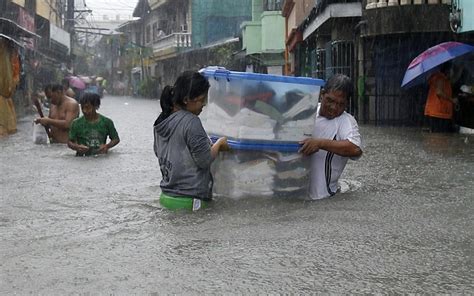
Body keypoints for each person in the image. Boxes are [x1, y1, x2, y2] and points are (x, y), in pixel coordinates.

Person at [153, 71, 228, 210]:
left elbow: (159, 153)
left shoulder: (160, 121)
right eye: (202, 100)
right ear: (187, 99)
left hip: (166, 198)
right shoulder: (191, 121)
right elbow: (204, 160)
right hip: (190, 202)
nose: (204, 105)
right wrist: (218, 144)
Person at [299, 74, 363, 200]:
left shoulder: (346, 121)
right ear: (322, 94)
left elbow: (355, 149)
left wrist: (319, 143)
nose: (334, 108)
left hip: (322, 198)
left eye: (340, 104)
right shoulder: (306, 111)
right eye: (330, 100)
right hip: (294, 194)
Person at [424, 63, 456, 133]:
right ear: (447, 70)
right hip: (438, 112)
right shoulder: (440, 78)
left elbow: (453, 81)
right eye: (452, 70)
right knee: (438, 136)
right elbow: (439, 92)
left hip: (440, 112)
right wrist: (452, 100)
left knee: (438, 135)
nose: (453, 72)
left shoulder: (444, 79)